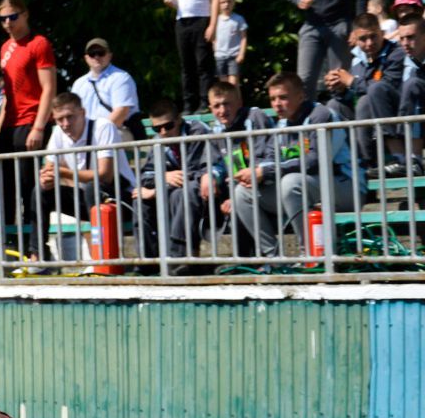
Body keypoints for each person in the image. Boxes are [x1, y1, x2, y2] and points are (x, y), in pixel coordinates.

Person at [233, 73, 363, 258]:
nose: (277, 103)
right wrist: (255, 173)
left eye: (283, 97)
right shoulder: (281, 124)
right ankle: (274, 258)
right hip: (310, 188)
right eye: (273, 99)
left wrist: (266, 171)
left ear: (301, 96)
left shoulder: (321, 115)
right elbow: (269, 158)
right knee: (242, 193)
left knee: (291, 182)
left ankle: (309, 256)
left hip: (347, 186)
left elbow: (314, 162)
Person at [0, 0, 57, 263]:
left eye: (13, 17)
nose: (8, 23)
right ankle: (8, 248)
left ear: (25, 14)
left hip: (31, 123)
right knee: (5, 190)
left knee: (31, 189)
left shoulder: (39, 44)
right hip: (9, 125)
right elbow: (7, 94)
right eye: (3, 18)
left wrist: (39, 127)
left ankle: (36, 249)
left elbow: (49, 88)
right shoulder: (5, 47)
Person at [40, 92, 136, 235]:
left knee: (93, 188)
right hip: (89, 197)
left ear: (82, 112)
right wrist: (46, 180)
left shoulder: (103, 126)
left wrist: (62, 172)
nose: (65, 124)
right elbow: (49, 169)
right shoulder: (58, 132)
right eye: (60, 119)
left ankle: (102, 252)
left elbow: (105, 176)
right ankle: (37, 252)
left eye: (70, 117)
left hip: (122, 197)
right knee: (40, 192)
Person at [198, 81, 272, 259]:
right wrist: (209, 174)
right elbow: (215, 162)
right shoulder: (216, 129)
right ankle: (242, 259)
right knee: (202, 189)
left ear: (239, 102)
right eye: (216, 106)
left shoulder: (255, 117)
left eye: (226, 103)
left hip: (266, 182)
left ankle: (258, 258)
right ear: (210, 108)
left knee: (238, 196)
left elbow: (265, 160)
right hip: (237, 186)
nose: (222, 110)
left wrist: (235, 195)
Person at [136, 99, 210, 271]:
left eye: (168, 126)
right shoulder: (157, 141)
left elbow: (198, 170)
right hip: (175, 192)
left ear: (179, 120)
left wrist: (159, 187)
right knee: (138, 197)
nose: (163, 132)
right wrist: (163, 177)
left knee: (182, 193)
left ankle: (179, 256)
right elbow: (145, 175)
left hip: (203, 192)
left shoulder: (196, 131)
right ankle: (148, 263)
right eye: (157, 128)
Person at [324, 13, 405, 166]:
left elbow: (384, 89)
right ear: (355, 38)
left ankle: (367, 162)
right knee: (334, 106)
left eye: (373, 36)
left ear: (382, 34)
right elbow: (351, 95)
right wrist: (340, 88)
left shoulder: (397, 53)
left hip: (396, 117)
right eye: (362, 39)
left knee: (366, 100)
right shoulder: (357, 60)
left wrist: (351, 81)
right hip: (368, 122)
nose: (369, 43)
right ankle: (348, 160)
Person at [286, 0, 367, 100]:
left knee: (337, 81)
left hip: (340, 25)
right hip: (312, 25)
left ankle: (341, 117)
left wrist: (358, 26)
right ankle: (308, 119)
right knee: (303, 81)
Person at [164, 0, 219, 114]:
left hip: (202, 20)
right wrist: (171, 3)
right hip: (182, 21)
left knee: (203, 63)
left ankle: (205, 102)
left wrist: (212, 25)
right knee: (186, 65)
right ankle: (188, 104)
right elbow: (178, 1)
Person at [70, 38, 144, 140]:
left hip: (118, 130)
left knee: (107, 138)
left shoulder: (121, 77)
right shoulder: (78, 84)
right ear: (86, 58)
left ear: (109, 55)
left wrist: (94, 136)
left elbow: (121, 112)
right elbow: (73, 112)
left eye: (101, 53)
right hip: (87, 135)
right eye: (92, 54)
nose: (96, 57)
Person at [392, 15, 425, 177]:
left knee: (413, 84)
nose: (405, 43)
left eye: (411, 37)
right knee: (376, 91)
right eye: (402, 38)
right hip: (411, 115)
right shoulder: (398, 58)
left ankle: (414, 158)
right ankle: (400, 158)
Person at [214, 0, 248, 86]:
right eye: (223, 2)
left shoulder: (238, 19)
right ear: (218, 4)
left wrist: (241, 54)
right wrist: (214, 50)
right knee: (223, 85)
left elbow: (244, 37)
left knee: (233, 84)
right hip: (219, 56)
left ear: (234, 2)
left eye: (229, 2)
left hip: (234, 56)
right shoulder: (216, 20)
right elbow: (213, 37)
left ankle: (237, 101)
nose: (226, 5)